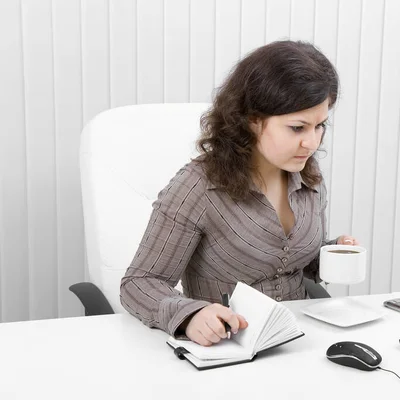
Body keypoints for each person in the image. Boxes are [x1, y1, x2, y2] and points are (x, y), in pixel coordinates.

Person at [120, 40, 359, 347]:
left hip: (298, 342)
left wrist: (332, 252)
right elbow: (139, 283)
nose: (311, 143)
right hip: (228, 350)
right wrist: (190, 315)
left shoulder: (308, 177)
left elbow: (292, 263)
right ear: (253, 119)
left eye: (319, 126)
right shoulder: (198, 186)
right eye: (297, 128)